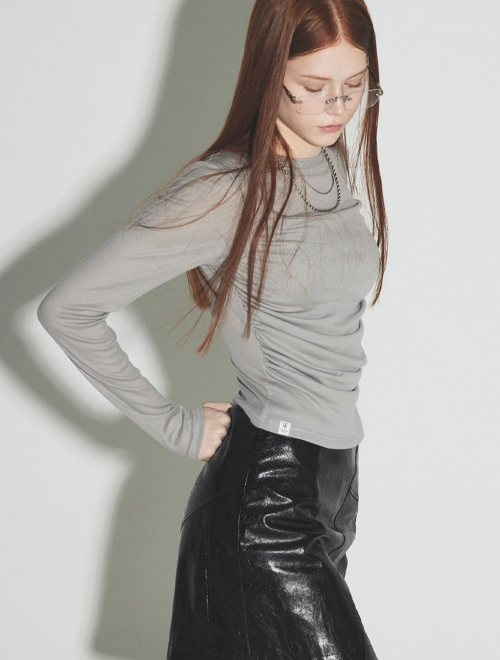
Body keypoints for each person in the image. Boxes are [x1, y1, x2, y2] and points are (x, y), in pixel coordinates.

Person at [37, 0, 387, 657]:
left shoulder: (330, 164)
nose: (337, 107)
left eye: (355, 85)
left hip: (335, 481)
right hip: (267, 499)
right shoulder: (224, 189)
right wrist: (173, 424)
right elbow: (69, 309)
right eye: (313, 87)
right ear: (268, 72)